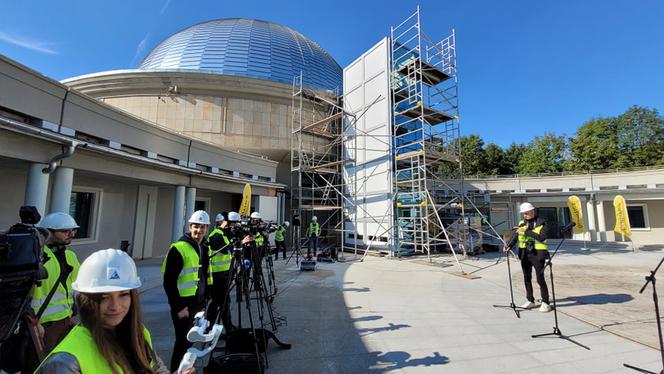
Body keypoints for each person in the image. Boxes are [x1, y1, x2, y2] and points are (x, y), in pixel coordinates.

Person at [36, 248, 169, 373]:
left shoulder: (139, 333)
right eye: (104, 297)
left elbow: (156, 368)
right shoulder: (66, 361)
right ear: (85, 300)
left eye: (123, 295)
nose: (115, 306)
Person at [23, 212, 81, 373]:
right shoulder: (38, 257)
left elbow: (73, 288)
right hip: (41, 324)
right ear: (48, 232)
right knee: (38, 365)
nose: (71, 234)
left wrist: (73, 314)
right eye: (65, 231)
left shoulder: (70, 256)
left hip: (64, 321)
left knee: (59, 364)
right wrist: (36, 323)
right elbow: (32, 292)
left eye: (73, 230)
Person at [162, 210, 212, 371]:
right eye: (196, 227)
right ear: (190, 227)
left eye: (203, 227)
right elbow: (169, 282)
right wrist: (178, 307)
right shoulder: (179, 248)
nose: (199, 231)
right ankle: (177, 370)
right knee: (182, 342)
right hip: (183, 304)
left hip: (197, 302)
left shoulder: (203, 247)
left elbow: (203, 274)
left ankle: (186, 369)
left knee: (190, 342)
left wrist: (206, 298)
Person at [504, 202, 552, 313]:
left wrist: (527, 231)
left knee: (540, 279)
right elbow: (516, 235)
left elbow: (542, 237)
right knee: (527, 278)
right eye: (523, 213)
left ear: (532, 211)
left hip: (537, 254)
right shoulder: (522, 223)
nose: (524, 215)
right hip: (524, 254)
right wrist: (509, 246)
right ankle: (530, 299)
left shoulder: (543, 222)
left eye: (526, 213)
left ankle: (546, 302)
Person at [207, 213, 233, 330]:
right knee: (218, 303)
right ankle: (209, 327)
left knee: (223, 302)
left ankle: (227, 326)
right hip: (217, 275)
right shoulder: (216, 235)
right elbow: (225, 251)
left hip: (223, 274)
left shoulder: (222, 234)